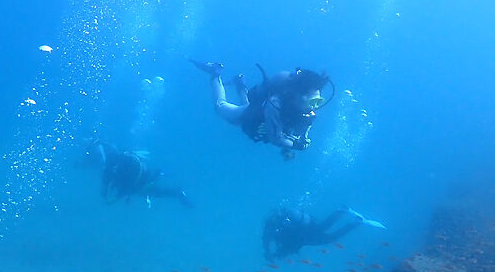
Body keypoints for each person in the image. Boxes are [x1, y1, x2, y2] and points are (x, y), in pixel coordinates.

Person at [191, 60, 334, 160]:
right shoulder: (275, 103)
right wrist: (297, 145)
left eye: (318, 101)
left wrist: (301, 139)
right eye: (313, 101)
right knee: (220, 106)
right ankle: (215, 73)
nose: (315, 106)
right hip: (249, 115)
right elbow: (275, 138)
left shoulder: (308, 109)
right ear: (298, 96)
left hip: (259, 115)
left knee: (250, 107)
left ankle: (240, 83)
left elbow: (301, 132)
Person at [83, 139, 192, 208]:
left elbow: (121, 187)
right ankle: (164, 179)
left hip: (138, 180)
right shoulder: (113, 163)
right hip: (139, 177)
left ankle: (164, 178)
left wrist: (114, 197)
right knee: (153, 190)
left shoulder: (110, 168)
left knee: (152, 191)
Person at [262, 206, 383, 260]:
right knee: (323, 227)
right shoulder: (282, 219)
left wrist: (268, 252)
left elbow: (267, 239)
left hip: (302, 236)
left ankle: (355, 223)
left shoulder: (271, 227)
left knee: (330, 238)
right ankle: (340, 211)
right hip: (308, 226)